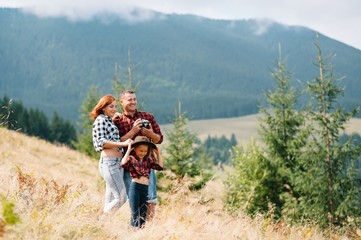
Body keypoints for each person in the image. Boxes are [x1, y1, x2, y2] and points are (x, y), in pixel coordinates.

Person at [113, 89, 163, 220]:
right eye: (130, 99)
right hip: (129, 165)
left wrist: (149, 133)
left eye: (134, 99)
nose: (133, 102)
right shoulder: (118, 120)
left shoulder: (147, 117)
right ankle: (136, 226)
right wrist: (133, 130)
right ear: (122, 101)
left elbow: (159, 139)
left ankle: (148, 228)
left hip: (147, 163)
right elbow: (115, 142)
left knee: (150, 198)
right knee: (134, 199)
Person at [90, 94, 132, 218]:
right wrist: (122, 143)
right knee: (122, 196)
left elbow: (111, 136)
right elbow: (101, 142)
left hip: (117, 163)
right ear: (103, 107)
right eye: (111, 106)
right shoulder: (100, 120)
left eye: (115, 106)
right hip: (109, 163)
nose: (114, 109)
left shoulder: (108, 120)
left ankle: (102, 227)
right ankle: (100, 220)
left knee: (111, 199)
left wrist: (114, 119)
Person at [121, 136, 163, 228]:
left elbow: (160, 167)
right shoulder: (131, 158)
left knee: (143, 215)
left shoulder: (148, 161)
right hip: (135, 188)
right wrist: (128, 149)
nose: (143, 153)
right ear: (135, 149)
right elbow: (123, 164)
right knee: (135, 213)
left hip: (145, 189)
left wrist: (158, 153)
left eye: (145, 151)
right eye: (141, 151)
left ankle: (141, 234)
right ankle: (133, 232)